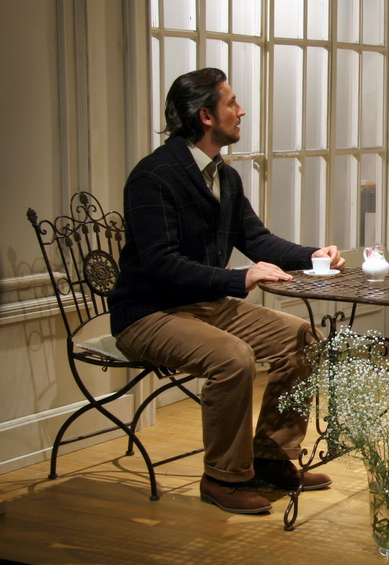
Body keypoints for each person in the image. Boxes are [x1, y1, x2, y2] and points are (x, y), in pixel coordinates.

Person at [110, 68, 346, 514]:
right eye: (232, 103)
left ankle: (271, 457)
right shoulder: (153, 177)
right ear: (206, 116)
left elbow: (256, 240)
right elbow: (161, 263)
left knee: (303, 339)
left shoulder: (225, 178)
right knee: (232, 357)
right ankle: (223, 477)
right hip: (148, 313)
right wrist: (240, 279)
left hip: (206, 305)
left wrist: (313, 254)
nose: (242, 111)